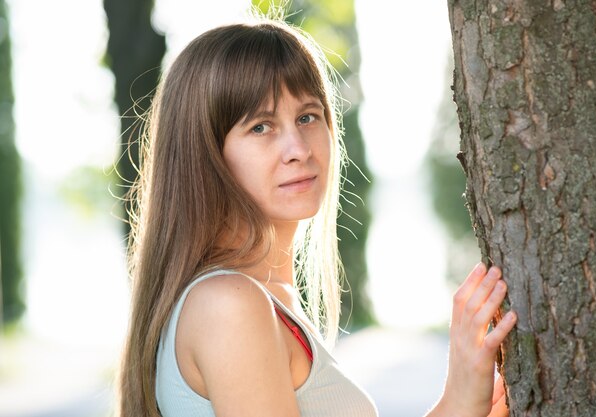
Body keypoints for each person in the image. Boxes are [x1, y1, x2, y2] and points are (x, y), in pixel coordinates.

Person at [116, 16, 517, 417]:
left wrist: (460, 402)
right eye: (260, 127)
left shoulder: (265, 298)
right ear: (203, 155)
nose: (298, 149)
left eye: (308, 116)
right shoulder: (229, 305)